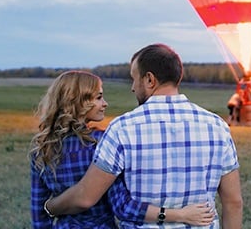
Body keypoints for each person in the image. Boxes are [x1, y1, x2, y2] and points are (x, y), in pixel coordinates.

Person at [45, 44, 243, 228]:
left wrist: (50, 207)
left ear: (149, 80)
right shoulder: (217, 126)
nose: (132, 87)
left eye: (134, 78)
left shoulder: (122, 128)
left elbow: (85, 197)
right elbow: (233, 202)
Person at [29, 70, 215, 228]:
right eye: (99, 97)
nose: (105, 103)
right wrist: (180, 215)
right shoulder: (101, 142)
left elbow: (39, 213)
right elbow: (123, 207)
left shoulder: (41, 149)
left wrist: (51, 209)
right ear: (79, 102)